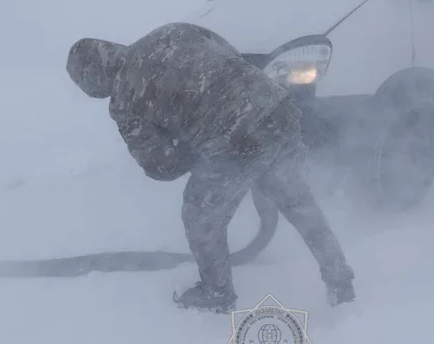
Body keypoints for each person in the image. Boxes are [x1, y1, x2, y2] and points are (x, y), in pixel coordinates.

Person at [65, 22, 356, 313]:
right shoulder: (171, 31)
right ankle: (340, 279)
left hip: (235, 144)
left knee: (200, 216)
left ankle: (217, 294)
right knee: (298, 201)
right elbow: (230, 55)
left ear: (93, 82)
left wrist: (193, 151)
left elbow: (159, 165)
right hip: (278, 109)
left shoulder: (124, 101)